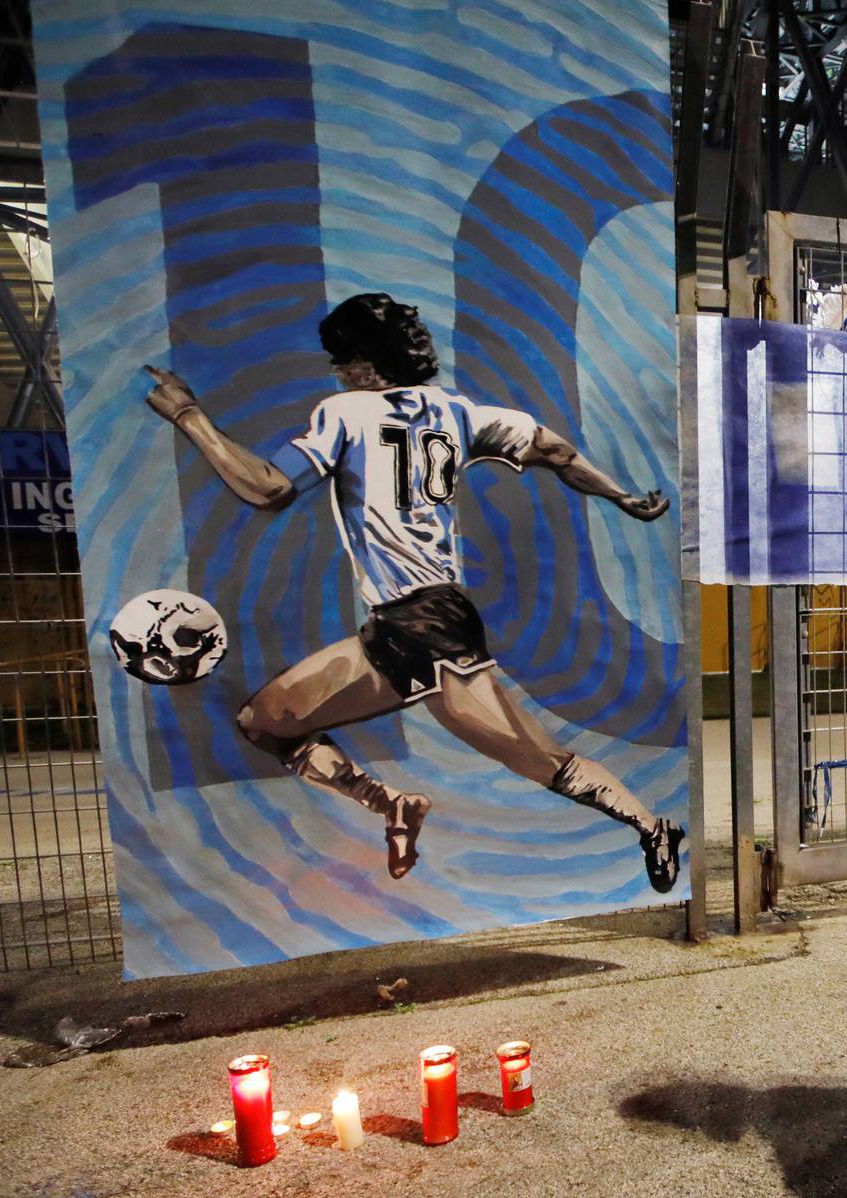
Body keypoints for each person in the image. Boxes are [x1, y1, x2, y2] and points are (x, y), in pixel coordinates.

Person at [143, 292, 686, 892]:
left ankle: (649, 824)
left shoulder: (345, 413)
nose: (336, 371)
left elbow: (269, 488)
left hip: (427, 622)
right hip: (399, 627)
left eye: (340, 359)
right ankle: (394, 804)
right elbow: (556, 451)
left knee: (539, 760)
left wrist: (189, 416)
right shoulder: (461, 413)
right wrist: (620, 496)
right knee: (267, 721)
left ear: (363, 363)